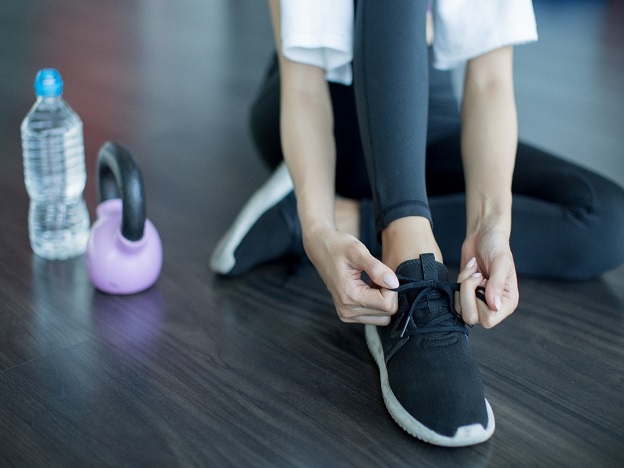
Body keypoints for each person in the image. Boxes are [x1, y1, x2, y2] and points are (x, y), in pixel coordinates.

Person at [211, 0, 624, 446]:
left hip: (426, 109)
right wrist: (318, 230)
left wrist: (492, 226)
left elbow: (488, 80)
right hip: (328, 99)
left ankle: (352, 216)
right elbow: (303, 88)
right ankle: (407, 255)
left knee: (606, 219)